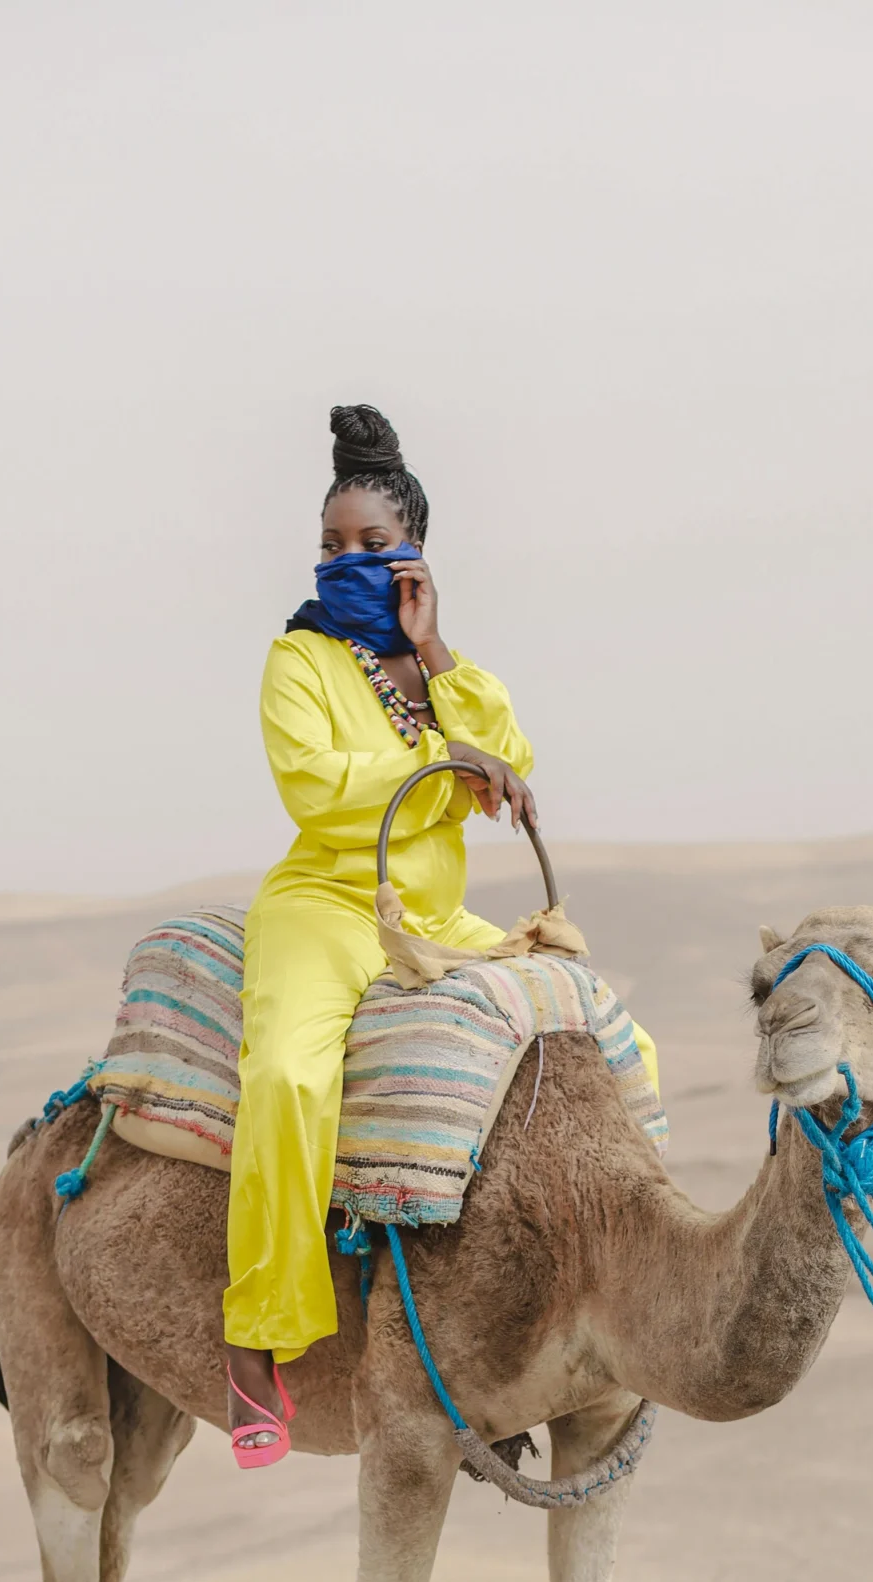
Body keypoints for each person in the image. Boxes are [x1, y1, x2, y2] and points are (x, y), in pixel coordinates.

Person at [223, 404, 656, 1466]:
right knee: (286, 1076)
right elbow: (319, 792)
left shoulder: (441, 672)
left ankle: (581, 1304)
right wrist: (441, 769)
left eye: (372, 546)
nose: (346, 562)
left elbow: (509, 755)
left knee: (621, 1043)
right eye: (332, 546)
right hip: (328, 907)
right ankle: (257, 1339)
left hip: (432, 917)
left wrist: (436, 655)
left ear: (416, 559)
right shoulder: (297, 662)